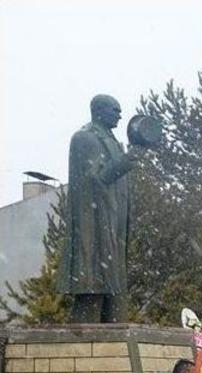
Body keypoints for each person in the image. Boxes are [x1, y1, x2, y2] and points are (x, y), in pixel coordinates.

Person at [60, 94, 139, 323]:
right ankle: (83, 345)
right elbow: (97, 178)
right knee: (93, 292)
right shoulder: (85, 138)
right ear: (99, 111)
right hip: (95, 226)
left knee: (115, 301)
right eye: (115, 110)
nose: (120, 115)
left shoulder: (113, 141)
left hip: (113, 227)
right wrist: (127, 160)